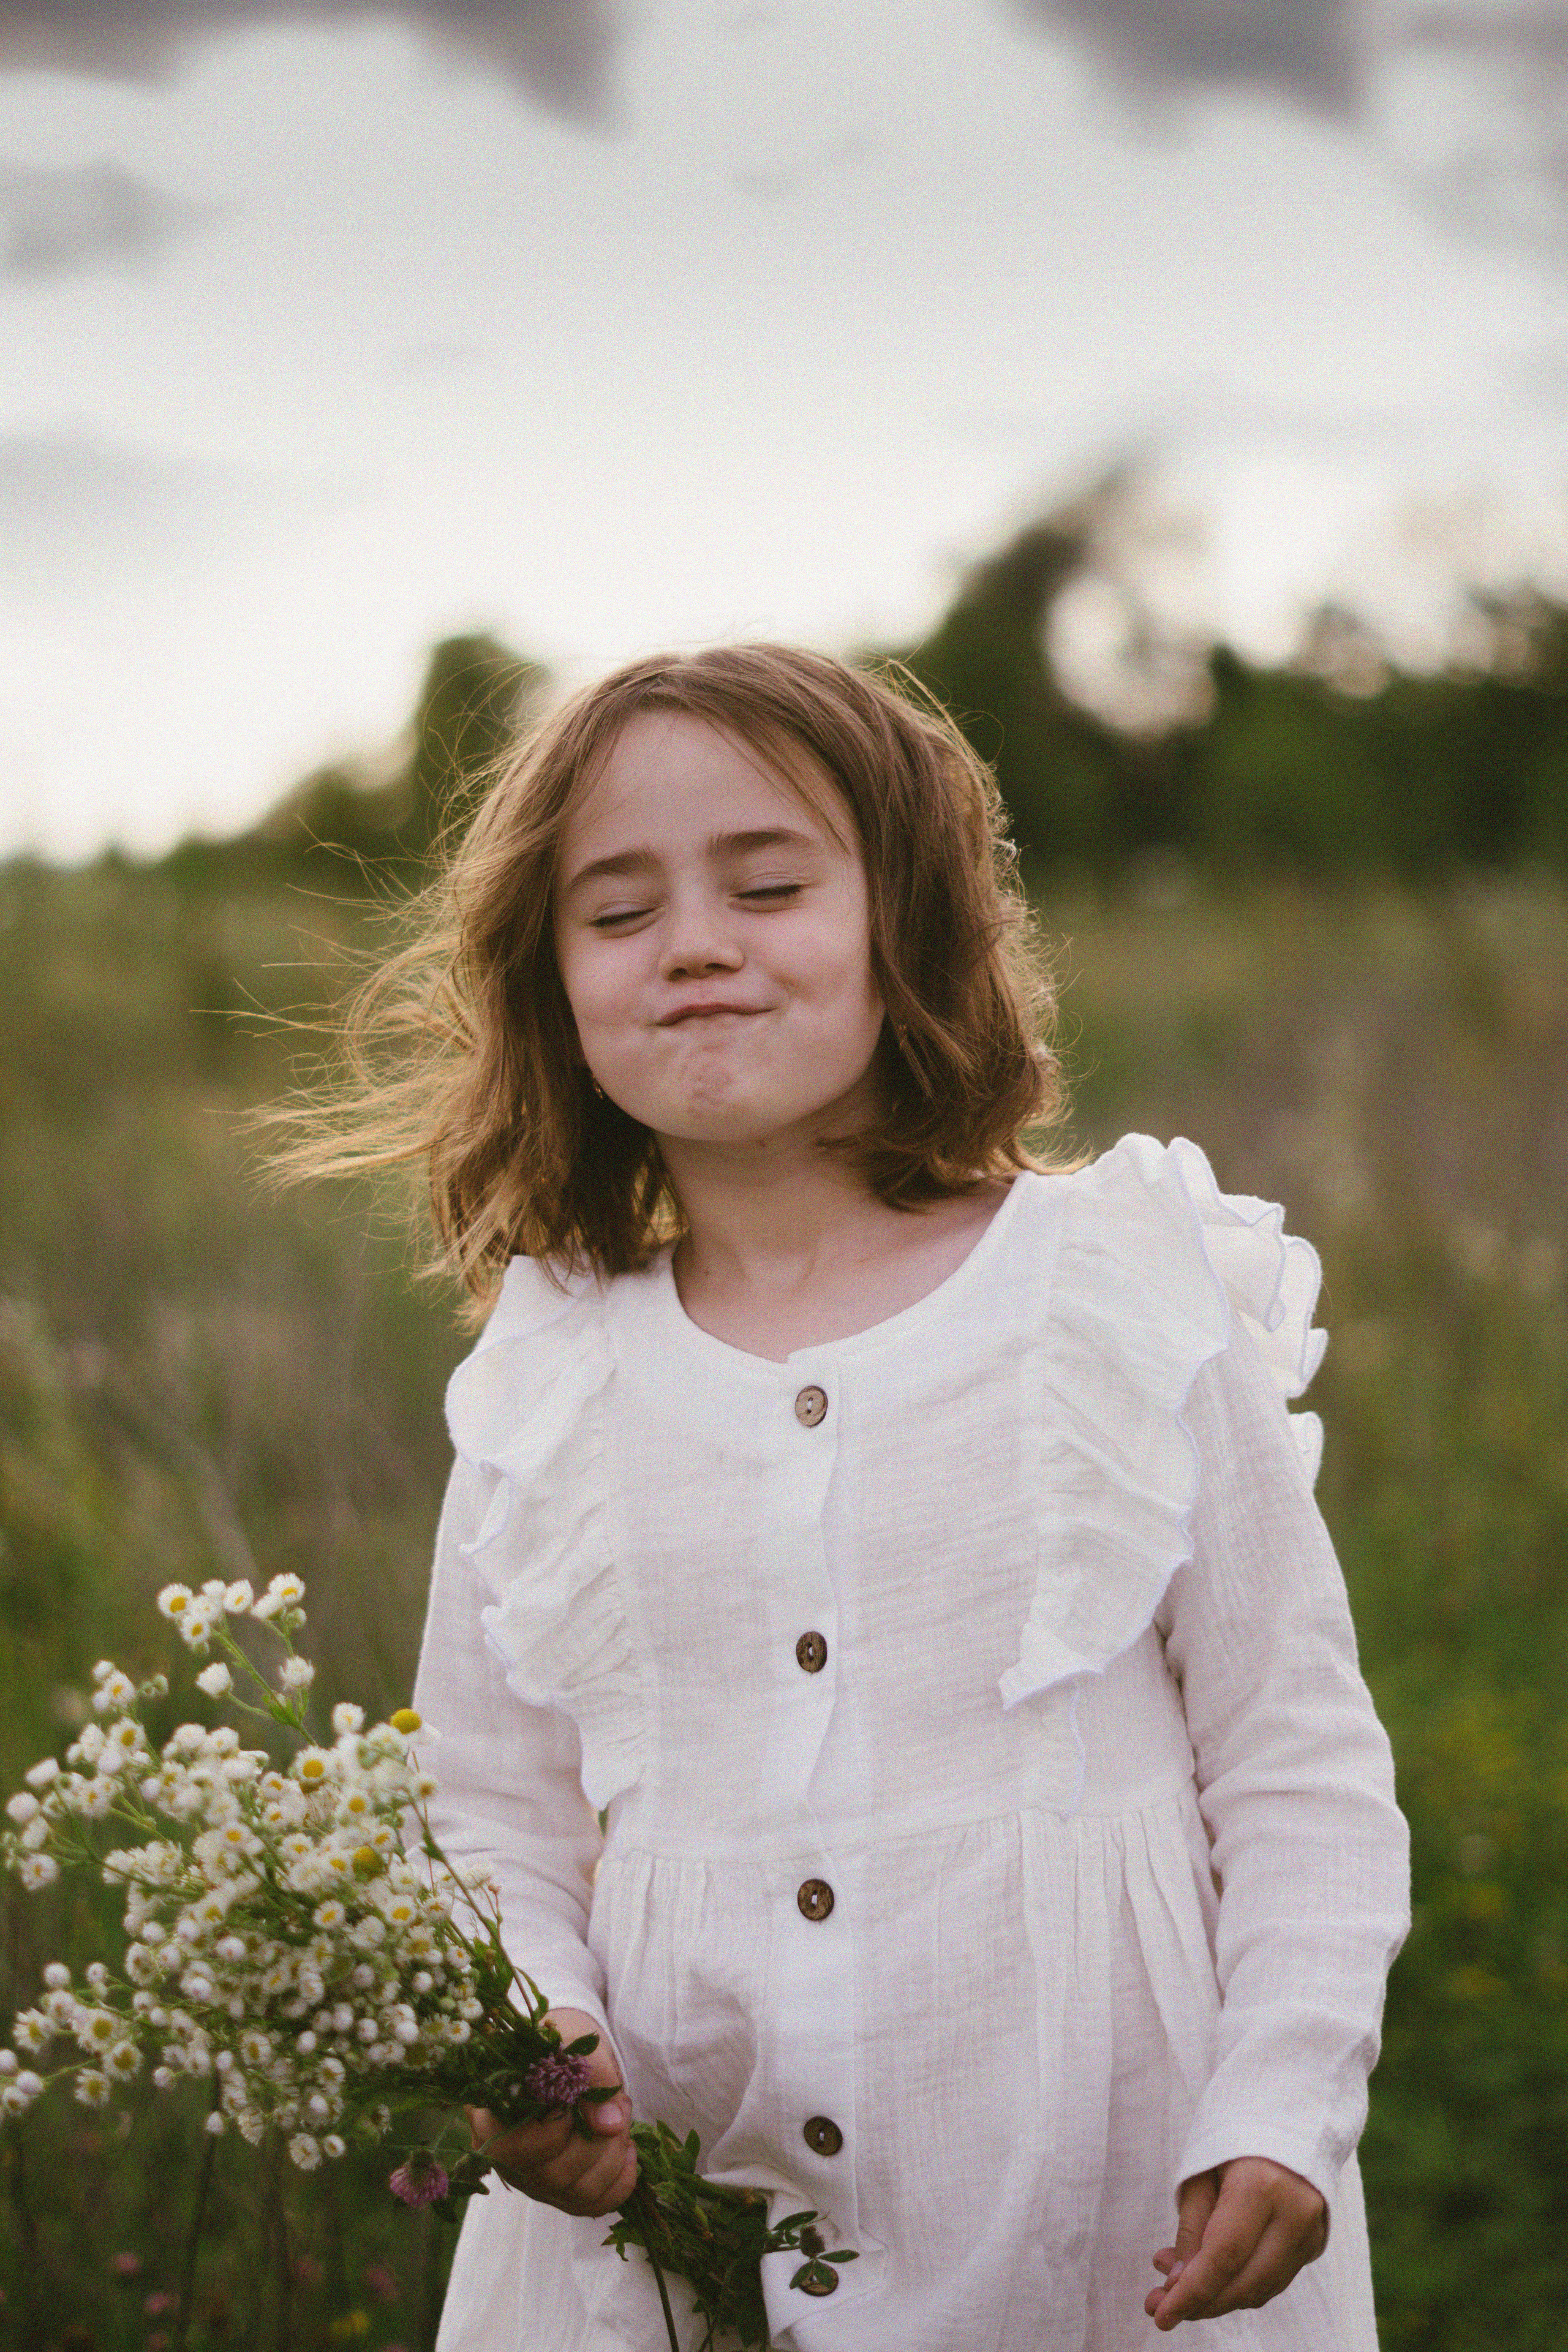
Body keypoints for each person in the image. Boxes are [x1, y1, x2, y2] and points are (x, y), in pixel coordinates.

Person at [321, 644, 1409, 2349]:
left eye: (767, 884)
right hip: (673, 2251)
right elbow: (491, 1813)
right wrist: (530, 2045)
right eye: (616, 914)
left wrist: (1283, 2093)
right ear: (550, 986)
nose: (692, 942)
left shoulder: (1114, 1287)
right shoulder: (555, 1378)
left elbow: (1294, 1754)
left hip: (1099, 2230)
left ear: (910, 929)